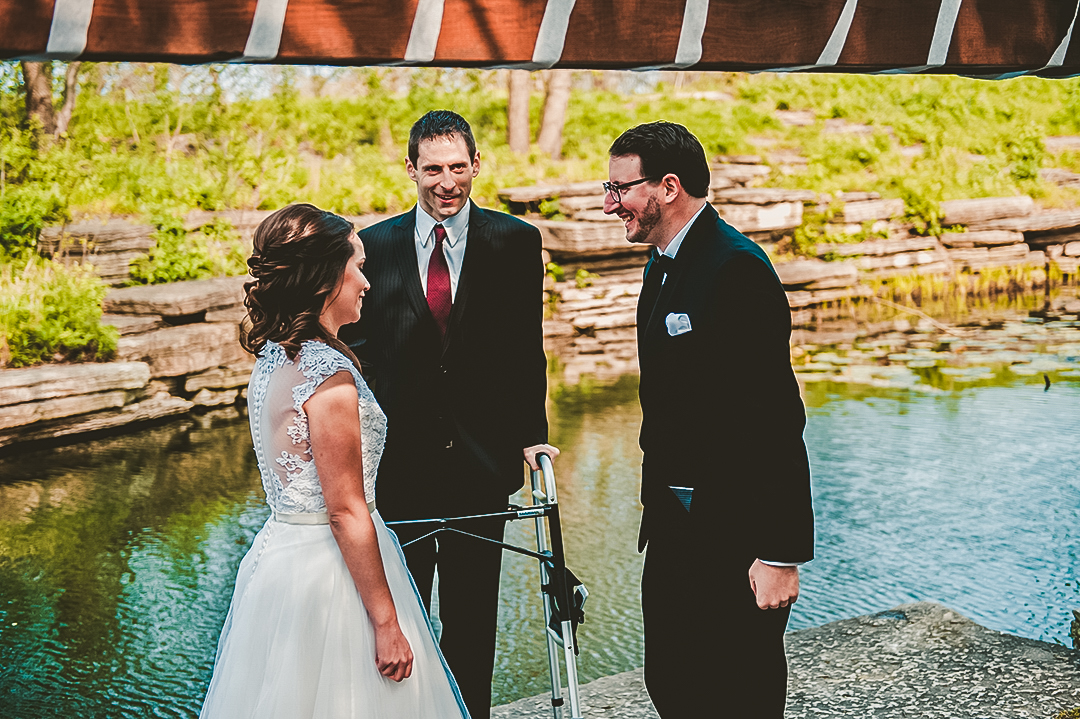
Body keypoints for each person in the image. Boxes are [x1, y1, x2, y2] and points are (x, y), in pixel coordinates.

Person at [200, 203, 469, 719]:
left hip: (279, 561)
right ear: (328, 275)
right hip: (331, 577)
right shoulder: (328, 375)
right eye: (358, 265)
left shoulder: (277, 355)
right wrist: (387, 623)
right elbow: (345, 510)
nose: (366, 282)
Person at [341, 110, 557, 719]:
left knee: (471, 627)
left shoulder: (515, 242)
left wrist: (531, 437)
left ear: (476, 166)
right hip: (398, 471)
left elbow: (526, 347)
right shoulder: (372, 246)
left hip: (480, 469)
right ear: (410, 168)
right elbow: (358, 355)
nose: (446, 181)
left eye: (458, 167)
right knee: (396, 623)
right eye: (432, 168)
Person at [602, 122, 815, 718]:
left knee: (739, 693)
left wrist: (780, 552)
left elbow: (777, 418)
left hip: (740, 533)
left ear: (668, 187)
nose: (608, 202)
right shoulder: (659, 263)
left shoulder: (735, 268)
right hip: (673, 526)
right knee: (672, 682)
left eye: (620, 188)